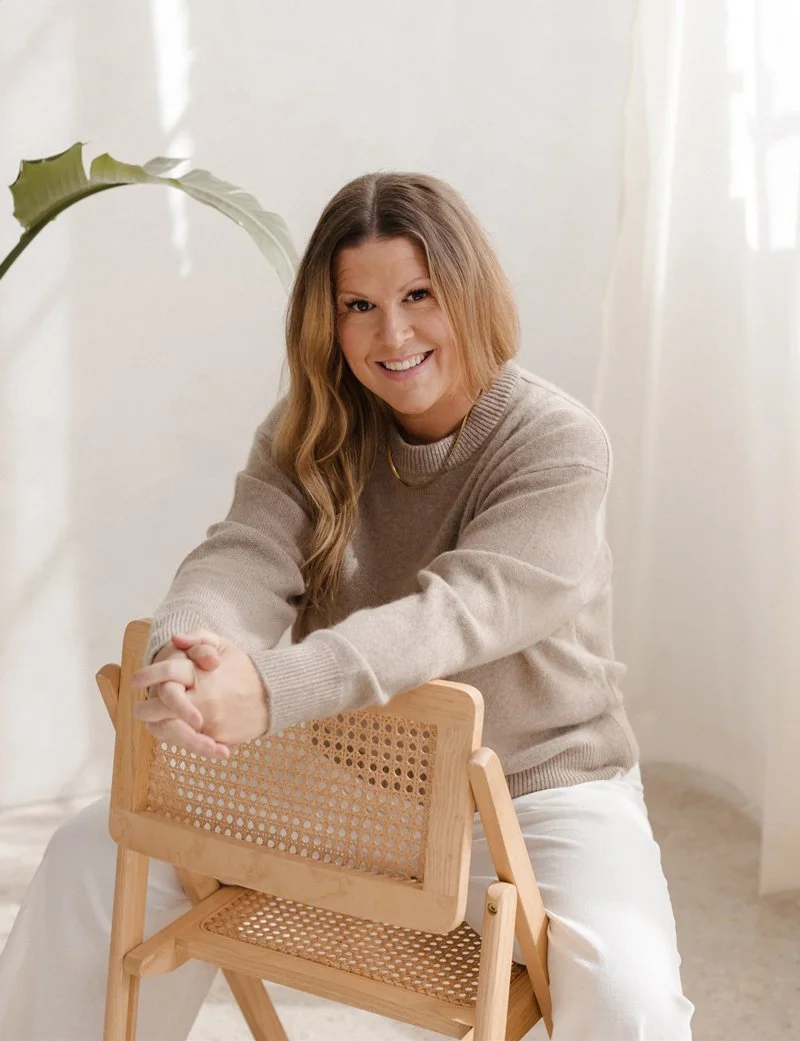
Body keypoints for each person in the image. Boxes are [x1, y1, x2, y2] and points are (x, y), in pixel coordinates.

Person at [0, 172, 694, 1040]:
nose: (392, 332)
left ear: (468, 292)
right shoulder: (313, 424)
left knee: (630, 995)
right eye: (358, 305)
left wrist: (269, 689)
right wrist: (190, 651)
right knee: (90, 861)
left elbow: (456, 614)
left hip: (535, 792)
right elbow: (243, 555)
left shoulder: (559, 443)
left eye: (417, 295)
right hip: (348, 780)